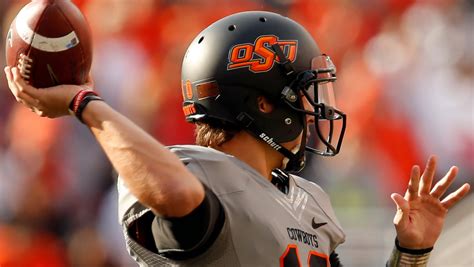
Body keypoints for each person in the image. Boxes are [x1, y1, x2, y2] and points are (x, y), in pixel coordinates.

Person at [4, 11, 470, 267]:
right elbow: (175, 192)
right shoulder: (182, 171)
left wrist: (410, 253)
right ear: (262, 103)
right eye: (305, 91)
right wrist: (87, 104)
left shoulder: (309, 200)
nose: (315, 109)